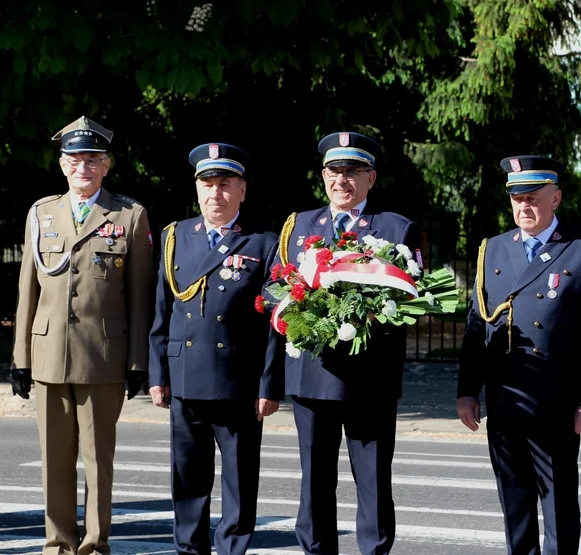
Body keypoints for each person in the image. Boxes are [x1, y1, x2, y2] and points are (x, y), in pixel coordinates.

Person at [11, 116, 153, 555]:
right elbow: (26, 291)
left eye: (93, 160)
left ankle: (94, 544)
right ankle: (57, 543)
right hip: (48, 353)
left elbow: (140, 297)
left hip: (103, 357)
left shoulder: (129, 215)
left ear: (106, 165)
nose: (83, 168)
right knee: (55, 462)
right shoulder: (41, 213)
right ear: (62, 165)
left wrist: (137, 362)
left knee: (98, 463)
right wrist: (20, 358)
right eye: (75, 160)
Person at [457, 155, 581, 555]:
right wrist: (467, 390)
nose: (524, 206)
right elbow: (477, 326)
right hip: (506, 398)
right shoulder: (492, 250)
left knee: (559, 503)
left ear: (555, 198)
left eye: (533, 198)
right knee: (515, 502)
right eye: (516, 198)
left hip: (555, 402)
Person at [273, 132, 416, 555]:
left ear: (370, 178)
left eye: (353, 171)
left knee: (372, 482)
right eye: (335, 171)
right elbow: (277, 285)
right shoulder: (298, 226)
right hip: (312, 375)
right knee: (314, 481)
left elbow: (409, 298)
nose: (342, 180)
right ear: (323, 176)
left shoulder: (394, 228)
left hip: (370, 378)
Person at [148, 143, 283, 554]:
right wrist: (158, 375)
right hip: (186, 378)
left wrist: (269, 385)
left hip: (238, 383)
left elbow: (277, 324)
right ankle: (189, 550)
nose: (215, 194)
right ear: (197, 189)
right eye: (207, 184)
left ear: (242, 190)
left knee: (239, 484)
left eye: (225, 184)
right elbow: (161, 311)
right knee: (187, 481)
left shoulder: (263, 243)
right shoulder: (175, 237)